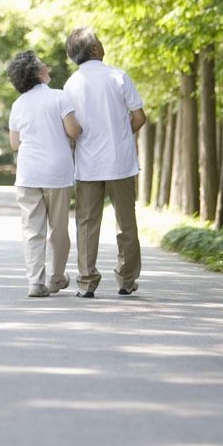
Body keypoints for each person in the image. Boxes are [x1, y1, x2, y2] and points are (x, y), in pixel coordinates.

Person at [63, 27, 146, 299]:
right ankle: (126, 279)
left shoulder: (71, 84)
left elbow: (70, 127)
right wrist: (121, 133)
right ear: (95, 50)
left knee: (87, 224)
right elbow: (139, 117)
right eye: (99, 40)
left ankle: (87, 282)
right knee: (126, 222)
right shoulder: (118, 76)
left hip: (87, 165)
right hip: (120, 162)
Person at [7, 50, 82, 298]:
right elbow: (73, 131)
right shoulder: (59, 98)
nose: (48, 67)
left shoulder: (18, 105)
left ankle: (35, 282)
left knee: (32, 230)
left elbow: (15, 144)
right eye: (44, 66)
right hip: (57, 173)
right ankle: (56, 278)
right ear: (38, 73)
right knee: (58, 229)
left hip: (28, 174)